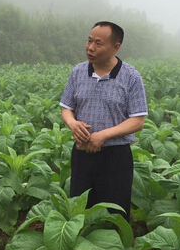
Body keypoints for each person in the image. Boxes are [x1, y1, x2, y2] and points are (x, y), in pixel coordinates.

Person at [60, 21, 148, 217]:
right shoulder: (78, 72)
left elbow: (137, 120)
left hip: (115, 158)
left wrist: (103, 135)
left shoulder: (131, 77)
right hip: (82, 154)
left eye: (98, 43)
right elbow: (66, 108)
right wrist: (72, 123)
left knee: (114, 214)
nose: (91, 48)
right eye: (89, 41)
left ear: (116, 47)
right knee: (79, 212)